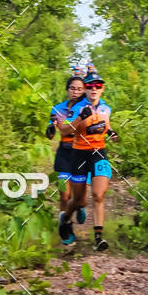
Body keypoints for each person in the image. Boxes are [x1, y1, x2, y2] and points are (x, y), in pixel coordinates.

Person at [58, 70, 118, 251]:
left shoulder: (106, 108)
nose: (94, 88)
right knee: (79, 202)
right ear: (85, 89)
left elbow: (104, 123)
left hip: (98, 153)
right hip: (79, 155)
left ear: (102, 89)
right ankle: (66, 219)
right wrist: (79, 119)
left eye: (97, 86)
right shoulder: (76, 108)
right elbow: (64, 130)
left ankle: (98, 237)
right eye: (90, 86)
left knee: (98, 195)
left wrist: (110, 132)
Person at [45, 74, 87, 210]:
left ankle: (79, 207)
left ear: (85, 91)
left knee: (80, 199)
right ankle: (63, 226)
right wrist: (51, 128)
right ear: (67, 90)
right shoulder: (57, 109)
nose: (76, 92)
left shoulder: (88, 108)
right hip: (64, 153)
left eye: (80, 89)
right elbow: (50, 136)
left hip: (82, 154)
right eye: (72, 88)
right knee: (64, 196)